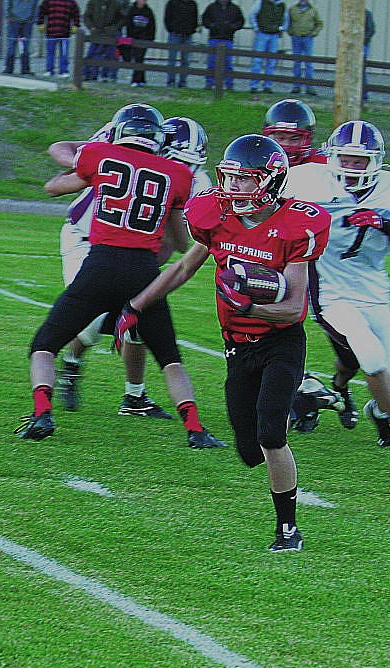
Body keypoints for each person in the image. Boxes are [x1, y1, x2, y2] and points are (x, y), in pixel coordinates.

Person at [114, 134, 331, 551]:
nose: (233, 187)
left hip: (281, 341)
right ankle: (305, 398)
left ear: (270, 181)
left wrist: (249, 306)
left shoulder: (298, 225)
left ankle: (288, 528)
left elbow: (293, 310)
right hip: (236, 345)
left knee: (271, 434)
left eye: (244, 179)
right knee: (249, 450)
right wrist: (136, 305)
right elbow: (182, 268)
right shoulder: (213, 215)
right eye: (229, 177)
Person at [17, 105, 225, 450]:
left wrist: (86, 176)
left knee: (43, 346)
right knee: (170, 358)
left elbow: (53, 187)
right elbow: (180, 241)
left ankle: (42, 412)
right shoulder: (178, 175)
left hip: (98, 265)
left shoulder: (101, 155)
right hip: (144, 273)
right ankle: (195, 429)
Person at [284, 120, 390, 461]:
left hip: (375, 291)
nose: (351, 168)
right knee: (370, 356)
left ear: (376, 161)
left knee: (385, 372)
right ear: (332, 157)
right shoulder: (308, 181)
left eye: (359, 161)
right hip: (331, 290)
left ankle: (377, 412)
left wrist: (383, 221)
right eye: (345, 159)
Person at [48, 109, 211, 419]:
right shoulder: (120, 150)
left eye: (190, 164)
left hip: (134, 251)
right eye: (178, 160)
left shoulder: (193, 181)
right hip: (85, 239)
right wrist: (82, 166)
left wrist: (143, 272)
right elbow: (61, 148)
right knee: (93, 318)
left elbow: (174, 244)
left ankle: (134, 397)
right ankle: (72, 363)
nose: (183, 169)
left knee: (138, 316)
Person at [262, 98, 346, 433]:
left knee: (330, 324)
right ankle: (302, 387)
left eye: (293, 138)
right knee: (274, 318)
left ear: (307, 138)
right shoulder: (261, 156)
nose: (285, 144)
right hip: (276, 248)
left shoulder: (325, 165)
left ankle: (325, 384)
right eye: (279, 136)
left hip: (325, 255)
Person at [201, 0, 244, 91]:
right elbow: (205, 19)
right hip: (214, 38)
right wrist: (212, 26)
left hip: (228, 39)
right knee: (211, 63)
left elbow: (240, 21)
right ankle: (209, 83)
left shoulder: (235, 8)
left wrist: (232, 27)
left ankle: (229, 84)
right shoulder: (212, 7)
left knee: (228, 64)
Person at [248, 0, 288, 98]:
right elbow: (251, 14)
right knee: (257, 60)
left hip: (274, 35)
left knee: (272, 61)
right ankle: (254, 85)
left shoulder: (282, 5)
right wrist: (256, 27)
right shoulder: (261, 2)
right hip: (262, 34)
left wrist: (281, 28)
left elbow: (286, 19)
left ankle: (267, 85)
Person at [82, 0, 125, 82]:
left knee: (109, 55)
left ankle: (106, 75)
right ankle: (88, 74)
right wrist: (92, 27)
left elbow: (122, 19)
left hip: (110, 34)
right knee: (92, 53)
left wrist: (113, 28)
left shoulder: (116, 3)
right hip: (96, 33)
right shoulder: (93, 2)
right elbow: (87, 16)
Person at [287, 0, 323, 95]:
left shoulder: (313, 10)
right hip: (296, 38)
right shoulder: (292, 9)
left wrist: (314, 33)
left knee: (309, 63)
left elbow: (319, 23)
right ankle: (296, 86)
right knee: (297, 62)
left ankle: (309, 87)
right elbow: (288, 22)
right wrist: (291, 32)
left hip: (308, 38)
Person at [37, 0, 80, 78]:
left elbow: (76, 14)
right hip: (51, 32)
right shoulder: (48, 1)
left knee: (64, 53)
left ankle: (63, 71)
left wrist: (76, 25)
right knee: (50, 53)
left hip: (65, 33)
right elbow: (41, 11)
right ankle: (49, 70)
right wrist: (41, 23)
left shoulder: (71, 2)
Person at [163, 0, 198, 88]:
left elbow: (195, 19)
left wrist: (191, 30)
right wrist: (171, 29)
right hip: (175, 34)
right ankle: (171, 81)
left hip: (187, 35)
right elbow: (167, 18)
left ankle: (183, 82)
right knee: (172, 59)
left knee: (185, 60)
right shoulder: (172, 2)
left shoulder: (192, 3)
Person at [3, 0, 40, 75]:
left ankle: (25, 69)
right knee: (11, 45)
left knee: (25, 46)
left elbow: (36, 7)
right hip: (14, 22)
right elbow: (7, 4)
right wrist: (8, 17)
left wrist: (34, 19)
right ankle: (9, 68)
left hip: (27, 23)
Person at [125, 0, 155, 87]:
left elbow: (152, 25)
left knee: (140, 57)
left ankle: (137, 79)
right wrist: (129, 37)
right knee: (137, 58)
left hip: (144, 38)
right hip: (134, 38)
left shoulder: (148, 11)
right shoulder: (132, 10)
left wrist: (150, 38)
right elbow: (128, 24)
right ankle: (140, 79)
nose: (142, 2)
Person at [363, 8, 375, 102]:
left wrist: (363, 40)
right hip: (351, 45)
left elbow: (371, 30)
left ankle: (364, 96)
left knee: (361, 70)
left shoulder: (366, 14)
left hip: (363, 45)